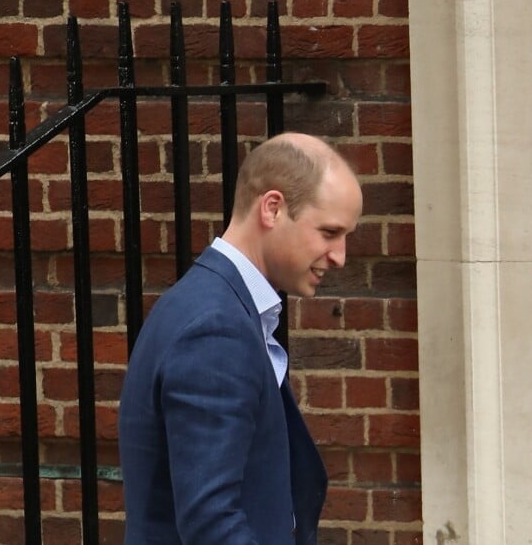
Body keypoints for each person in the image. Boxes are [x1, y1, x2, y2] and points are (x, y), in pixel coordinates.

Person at [118, 132, 363, 545]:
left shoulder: (212, 306)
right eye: (329, 232)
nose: (339, 255)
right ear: (272, 208)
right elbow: (212, 524)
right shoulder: (215, 329)